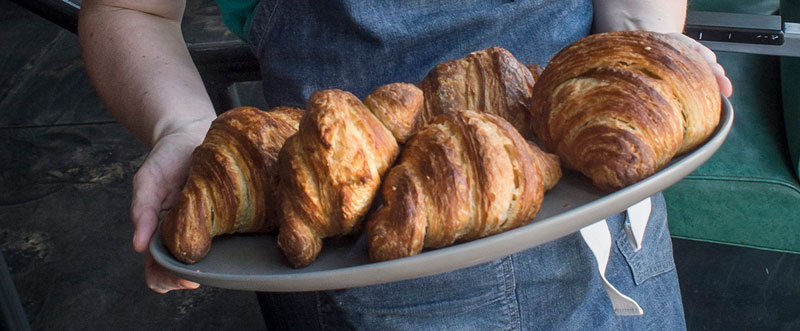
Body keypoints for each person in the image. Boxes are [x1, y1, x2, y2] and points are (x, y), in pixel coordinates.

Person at [78, 0, 733, 329]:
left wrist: (646, 60)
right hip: (338, 236)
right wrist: (183, 127)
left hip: (593, 199)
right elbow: (130, 8)